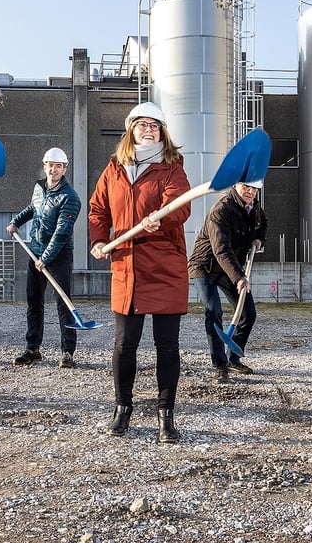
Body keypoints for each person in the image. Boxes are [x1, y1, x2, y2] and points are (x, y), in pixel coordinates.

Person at [89, 101, 191, 443]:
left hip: (163, 266)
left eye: (154, 126)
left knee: (167, 345)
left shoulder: (172, 166)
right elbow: (98, 209)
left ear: (163, 132)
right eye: (142, 124)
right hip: (126, 265)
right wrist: (99, 239)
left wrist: (162, 215)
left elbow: (182, 204)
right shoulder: (115, 168)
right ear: (130, 129)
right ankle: (122, 408)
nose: (148, 130)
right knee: (124, 344)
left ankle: (166, 415)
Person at [7, 147, 82, 368]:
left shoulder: (70, 197)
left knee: (63, 303)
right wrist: (16, 222)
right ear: (44, 165)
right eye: (50, 164)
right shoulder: (40, 188)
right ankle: (33, 349)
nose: (53, 169)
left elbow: (62, 232)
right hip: (36, 251)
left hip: (57, 256)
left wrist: (46, 258)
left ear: (65, 168)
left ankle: (67, 352)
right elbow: (34, 208)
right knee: (34, 301)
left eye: (58, 166)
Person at [188, 180, 268, 383]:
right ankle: (220, 364)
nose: (250, 192)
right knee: (214, 311)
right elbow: (221, 249)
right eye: (246, 187)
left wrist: (259, 239)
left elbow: (262, 225)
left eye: (254, 188)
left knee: (248, 313)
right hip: (205, 266)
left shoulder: (255, 208)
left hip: (229, 268)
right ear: (235, 186)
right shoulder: (221, 210)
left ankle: (234, 359)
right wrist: (239, 277)